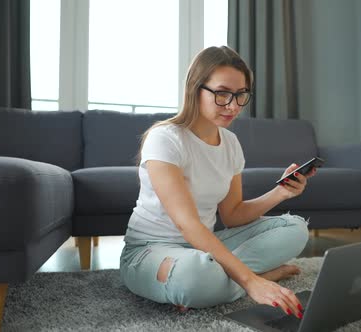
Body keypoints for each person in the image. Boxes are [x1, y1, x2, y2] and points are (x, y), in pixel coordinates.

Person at [119, 46, 317, 320]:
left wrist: (279, 193)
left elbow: (233, 215)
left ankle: (216, 282)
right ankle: (252, 277)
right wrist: (251, 281)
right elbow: (186, 224)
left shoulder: (231, 144)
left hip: (205, 244)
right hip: (150, 250)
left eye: (241, 94)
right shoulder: (164, 138)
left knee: (295, 229)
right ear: (195, 89)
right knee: (194, 276)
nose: (233, 105)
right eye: (222, 93)